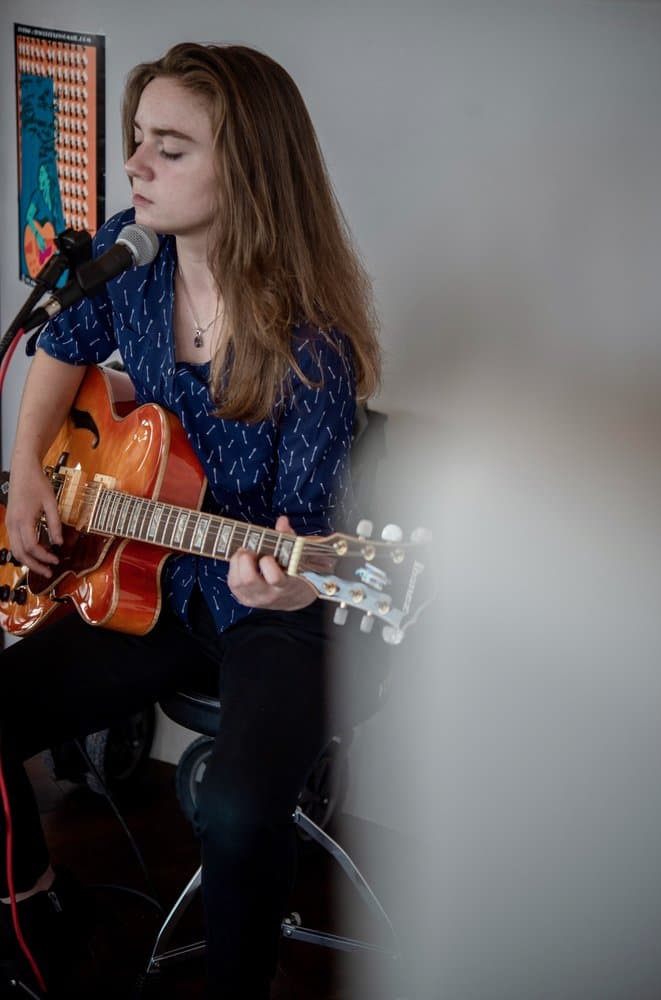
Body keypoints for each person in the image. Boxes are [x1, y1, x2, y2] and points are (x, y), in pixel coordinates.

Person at [1, 42, 380, 998]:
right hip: (154, 588)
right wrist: (26, 477)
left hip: (274, 608)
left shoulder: (312, 347)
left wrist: (294, 573)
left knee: (241, 812)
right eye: (137, 140)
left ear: (246, 169)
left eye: (170, 148)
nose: (134, 167)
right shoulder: (133, 260)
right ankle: (44, 900)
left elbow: (307, 544)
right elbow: (58, 342)